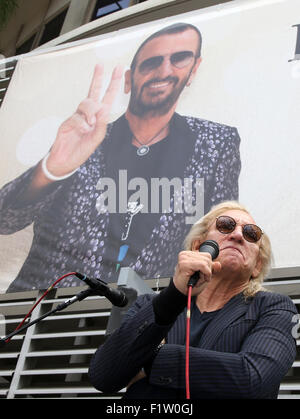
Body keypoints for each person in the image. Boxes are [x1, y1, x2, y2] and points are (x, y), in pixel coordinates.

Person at [0, 23, 241, 292]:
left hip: (143, 319)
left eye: (179, 58)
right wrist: (52, 169)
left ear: (194, 68)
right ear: (128, 79)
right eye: (151, 62)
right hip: (46, 314)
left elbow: (222, 234)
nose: (164, 70)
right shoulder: (85, 138)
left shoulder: (217, 143)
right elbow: (4, 219)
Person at [88, 201, 297, 399]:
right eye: (226, 225)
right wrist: (174, 295)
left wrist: (151, 358)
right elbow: (103, 375)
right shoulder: (149, 305)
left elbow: (253, 379)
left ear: (258, 265)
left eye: (251, 233)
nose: (237, 235)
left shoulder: (274, 308)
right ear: (199, 246)